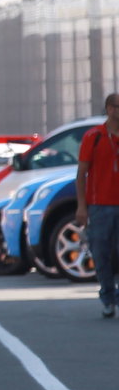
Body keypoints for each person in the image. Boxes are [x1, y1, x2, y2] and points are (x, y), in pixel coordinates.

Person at [74, 93, 119, 319]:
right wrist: (82, 206)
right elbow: (81, 173)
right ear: (109, 109)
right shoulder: (94, 137)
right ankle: (108, 297)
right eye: (117, 107)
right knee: (101, 254)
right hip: (100, 206)